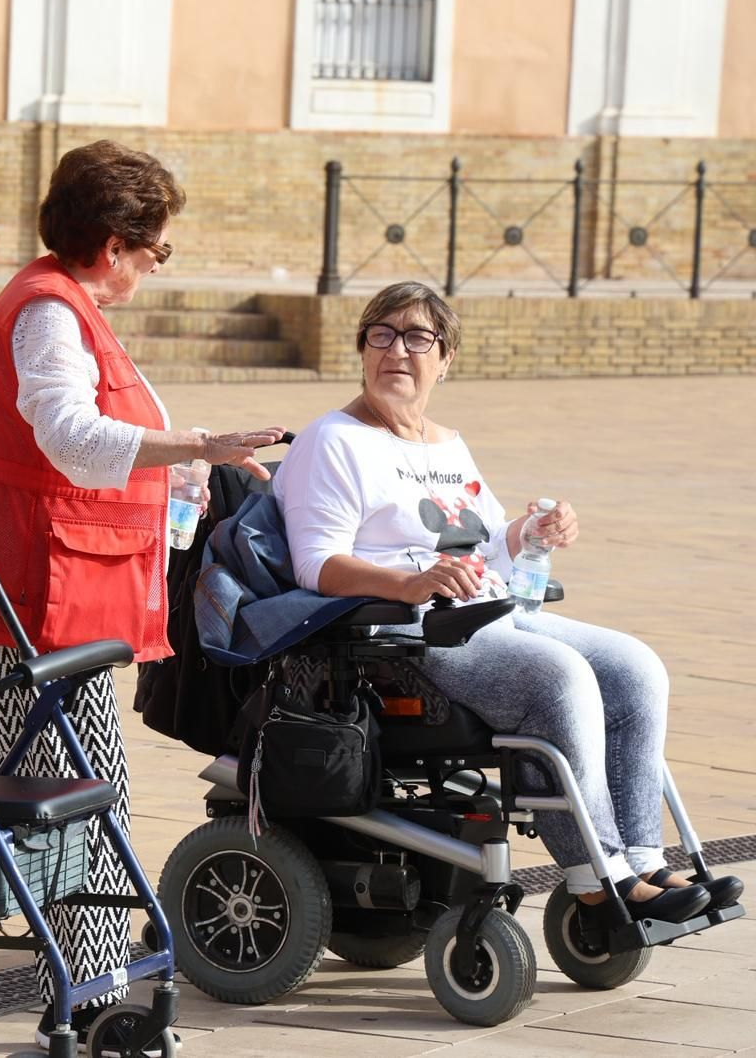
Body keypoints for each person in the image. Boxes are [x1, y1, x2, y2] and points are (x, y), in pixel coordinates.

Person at [0, 139, 285, 1049]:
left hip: (50, 572)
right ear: (113, 241)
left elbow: (95, 434)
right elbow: (75, 439)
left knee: (16, 764)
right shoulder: (48, 311)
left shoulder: (60, 301)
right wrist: (195, 446)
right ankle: (89, 972)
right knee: (88, 780)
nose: (156, 269)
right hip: (47, 580)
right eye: (157, 252)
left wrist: (187, 471)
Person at [272, 280, 742, 919]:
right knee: (561, 677)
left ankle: (645, 861)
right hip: (407, 634)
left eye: (417, 338)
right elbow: (316, 564)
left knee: (635, 667)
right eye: (380, 335)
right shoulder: (333, 441)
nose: (396, 351)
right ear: (361, 349)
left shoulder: (444, 443)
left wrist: (533, 531)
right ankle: (599, 881)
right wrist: (409, 583)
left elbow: (484, 543)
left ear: (446, 358)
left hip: (490, 614)